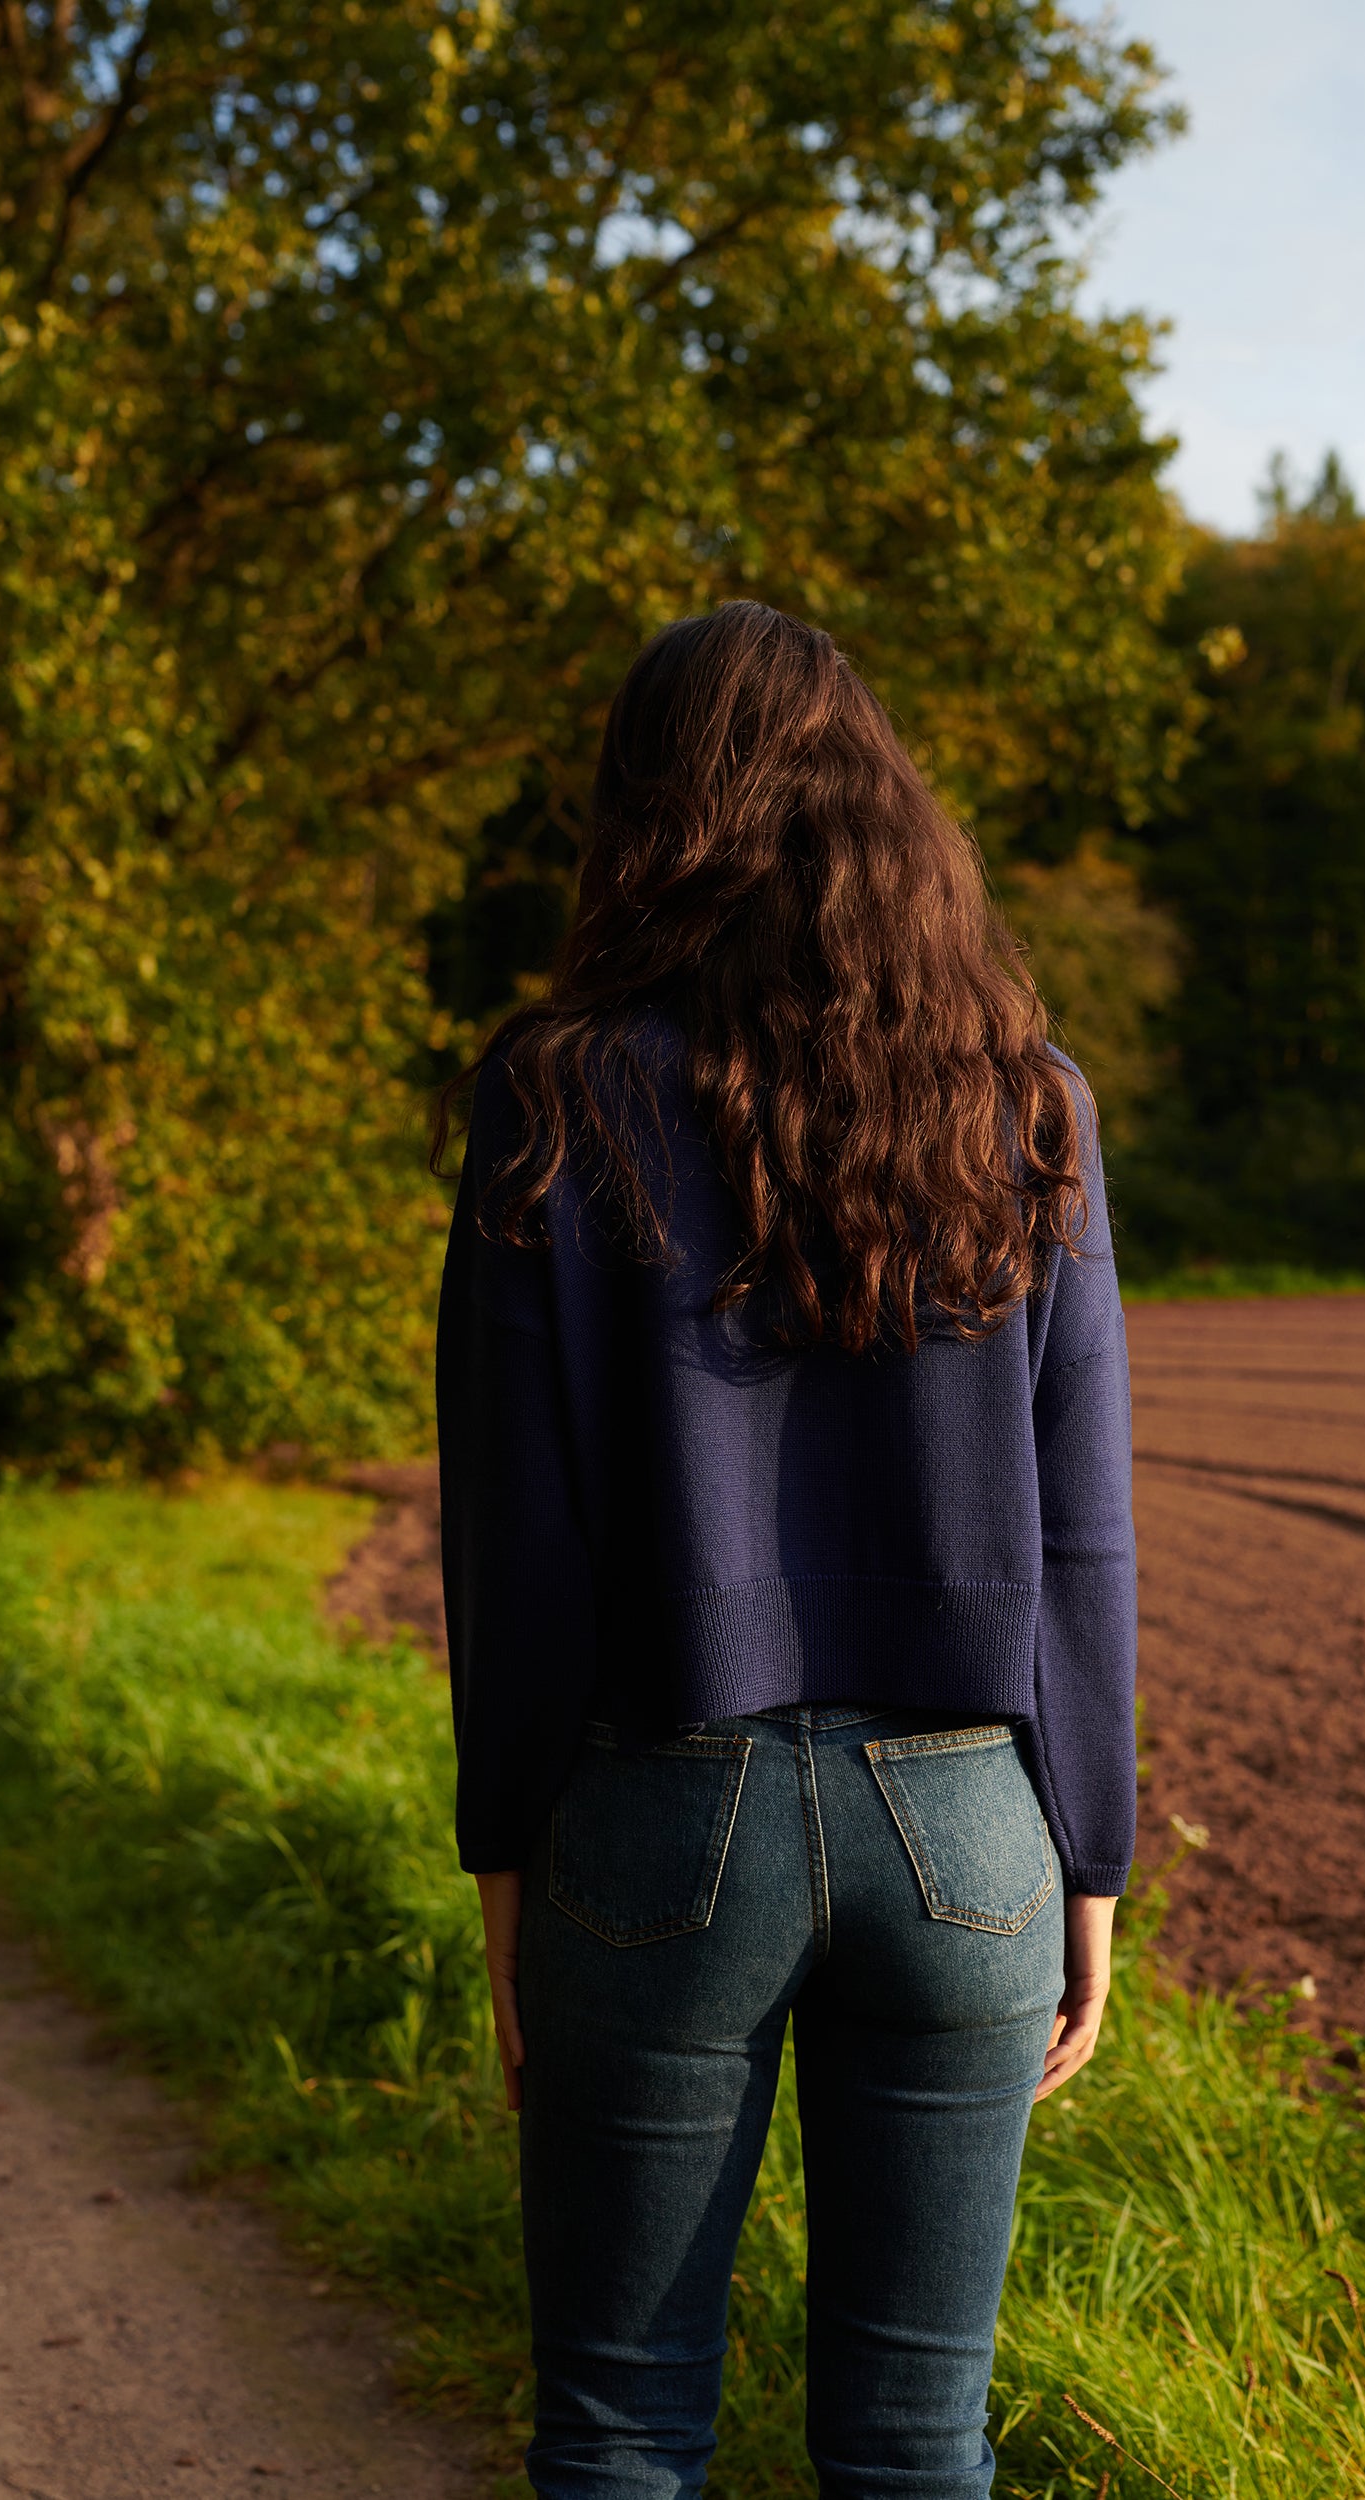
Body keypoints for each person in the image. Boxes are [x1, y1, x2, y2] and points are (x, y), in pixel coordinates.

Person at [433, 601, 1136, 2500]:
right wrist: (1090, 1857)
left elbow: (513, 1538)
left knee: (617, 2425)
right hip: (972, 1830)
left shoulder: (553, 1096)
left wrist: (506, 1867)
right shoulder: (1029, 1104)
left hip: (661, 1820)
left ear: (646, 815)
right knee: (916, 2442)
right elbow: (1085, 1535)